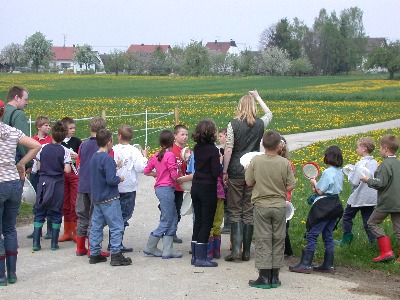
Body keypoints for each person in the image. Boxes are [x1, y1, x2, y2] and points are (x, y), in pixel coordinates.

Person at [223, 90, 273, 262]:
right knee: (249, 210)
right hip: (253, 169)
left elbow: (228, 149)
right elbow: (269, 114)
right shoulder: (260, 124)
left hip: (236, 170)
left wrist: (225, 170)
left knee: (235, 209)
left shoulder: (233, 124)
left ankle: (236, 250)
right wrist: (258, 97)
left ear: (240, 107)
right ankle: (247, 253)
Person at [246, 130, 296, 289]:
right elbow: (291, 185)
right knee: (278, 238)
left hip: (261, 205)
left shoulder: (256, 161)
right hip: (279, 205)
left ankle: (264, 276)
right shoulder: (284, 163)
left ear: (263, 144)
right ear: (279, 145)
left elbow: (248, 182)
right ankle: (275, 276)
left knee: (263, 239)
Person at [0, 100, 41, 286]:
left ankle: (1, 276)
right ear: (3, 114)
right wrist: (21, 163)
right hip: (13, 183)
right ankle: (12, 274)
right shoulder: (12, 131)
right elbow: (35, 145)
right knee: (9, 228)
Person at [289, 145, 344, 274]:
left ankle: (305, 264)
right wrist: (317, 188)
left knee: (312, 234)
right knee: (328, 234)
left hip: (324, 206)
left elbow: (319, 191)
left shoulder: (327, 172)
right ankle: (328, 264)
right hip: (336, 204)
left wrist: (314, 182)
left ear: (328, 157)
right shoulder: (340, 172)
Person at [89, 129, 132, 266]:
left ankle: (94, 252)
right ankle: (116, 253)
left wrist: (115, 166)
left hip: (97, 197)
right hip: (109, 197)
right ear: (109, 142)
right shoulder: (107, 158)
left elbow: (101, 173)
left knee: (96, 226)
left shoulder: (94, 157)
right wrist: (119, 178)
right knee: (116, 225)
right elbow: (110, 180)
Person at [32, 121, 72, 251]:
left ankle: (36, 243)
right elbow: (67, 170)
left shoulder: (43, 148)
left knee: (40, 211)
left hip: (43, 182)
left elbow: (38, 166)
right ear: (64, 136)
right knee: (55, 212)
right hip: (57, 184)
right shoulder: (65, 151)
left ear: (52, 134)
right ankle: (54, 244)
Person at [361, 135, 400, 262]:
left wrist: (368, 180)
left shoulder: (385, 165)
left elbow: (380, 183)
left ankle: (386, 251)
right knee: (398, 229)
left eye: (380, 148)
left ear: (385, 149)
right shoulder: (398, 163)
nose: (379, 150)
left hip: (387, 201)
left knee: (372, 222)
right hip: (398, 202)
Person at [143, 130, 181, 259]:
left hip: (160, 188)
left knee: (173, 216)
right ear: (172, 142)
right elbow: (173, 174)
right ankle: (151, 245)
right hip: (166, 189)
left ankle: (168, 249)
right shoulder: (170, 155)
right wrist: (180, 175)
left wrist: (157, 174)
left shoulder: (156, 155)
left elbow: (146, 171)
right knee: (167, 218)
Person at [75, 116, 109, 257]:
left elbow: (78, 163)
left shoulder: (83, 145)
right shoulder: (102, 147)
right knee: (96, 217)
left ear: (90, 129)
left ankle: (80, 247)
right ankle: (93, 248)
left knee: (82, 216)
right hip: (96, 186)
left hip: (82, 185)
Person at [112, 125, 148, 252]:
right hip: (128, 187)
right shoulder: (134, 151)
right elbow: (141, 168)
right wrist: (144, 157)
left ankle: (114, 241)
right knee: (124, 215)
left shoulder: (113, 149)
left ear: (119, 136)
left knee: (115, 215)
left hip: (115, 186)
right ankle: (117, 242)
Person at [190, 120, 221, 267]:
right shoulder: (213, 150)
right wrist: (220, 163)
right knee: (207, 222)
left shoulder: (197, 147)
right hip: (208, 187)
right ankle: (201, 257)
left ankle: (195, 254)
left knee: (198, 220)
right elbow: (215, 172)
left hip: (195, 186)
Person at [335, 137, 378, 246]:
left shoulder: (361, 164)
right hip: (371, 198)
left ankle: (346, 239)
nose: (356, 149)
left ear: (364, 148)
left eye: (357, 147)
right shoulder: (374, 163)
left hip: (359, 197)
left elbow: (354, 181)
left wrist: (350, 172)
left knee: (347, 216)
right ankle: (373, 241)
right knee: (368, 221)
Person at [27, 116, 53, 240]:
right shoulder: (33, 140)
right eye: (45, 125)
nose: (48, 127)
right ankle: (37, 229)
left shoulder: (51, 140)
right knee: (38, 201)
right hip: (35, 173)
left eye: (49, 125)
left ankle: (50, 229)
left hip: (47, 173)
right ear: (38, 127)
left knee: (48, 200)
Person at [59, 117, 82, 243]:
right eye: (70, 128)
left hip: (74, 173)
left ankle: (76, 231)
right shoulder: (59, 142)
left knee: (74, 201)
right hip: (62, 174)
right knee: (65, 203)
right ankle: (67, 231)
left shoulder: (77, 141)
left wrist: (78, 157)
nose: (73, 130)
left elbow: (83, 157)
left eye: (74, 128)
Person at [2, 86, 33, 170]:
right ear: (16, 98)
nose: (27, 103)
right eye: (25, 99)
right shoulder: (18, 114)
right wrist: (28, 163)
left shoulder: (2, 111)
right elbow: (23, 142)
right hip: (14, 160)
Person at [170, 124, 189, 243]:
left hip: (181, 186)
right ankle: (169, 232)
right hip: (171, 185)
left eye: (186, 134)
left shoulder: (186, 151)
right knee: (170, 210)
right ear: (175, 136)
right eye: (182, 134)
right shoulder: (171, 150)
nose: (185, 137)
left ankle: (173, 231)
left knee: (178, 210)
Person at [278, 136, 295, 257]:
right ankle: (287, 250)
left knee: (281, 227)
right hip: (286, 198)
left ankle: (286, 250)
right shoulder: (289, 163)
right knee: (284, 226)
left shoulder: (283, 164)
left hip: (280, 198)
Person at [218, 128, 230, 235]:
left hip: (227, 178)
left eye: (221, 136)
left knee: (227, 202)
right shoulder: (221, 149)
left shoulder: (228, 149)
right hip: (222, 177)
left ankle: (228, 224)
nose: (219, 138)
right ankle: (227, 223)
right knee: (225, 202)